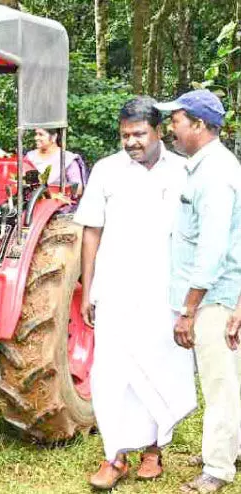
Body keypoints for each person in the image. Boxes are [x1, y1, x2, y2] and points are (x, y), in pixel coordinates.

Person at [74, 97, 196, 489]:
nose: (131, 142)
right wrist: (88, 287)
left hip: (165, 290)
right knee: (112, 372)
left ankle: (153, 452)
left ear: (158, 132)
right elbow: (91, 229)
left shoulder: (184, 171)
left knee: (159, 366)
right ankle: (115, 456)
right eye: (125, 135)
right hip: (115, 287)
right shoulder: (107, 171)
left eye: (139, 134)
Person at [155, 89, 241, 494]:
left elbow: (212, 248)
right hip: (223, 293)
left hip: (215, 297)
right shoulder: (203, 167)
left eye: (177, 121)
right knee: (229, 380)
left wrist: (189, 309)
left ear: (200, 126)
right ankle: (228, 449)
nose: (172, 128)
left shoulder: (215, 173)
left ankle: (218, 469)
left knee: (219, 383)